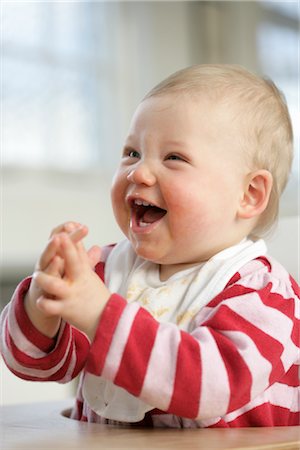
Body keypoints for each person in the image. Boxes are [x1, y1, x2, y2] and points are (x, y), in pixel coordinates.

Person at [0, 64, 299, 428]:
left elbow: (211, 388)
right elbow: (36, 364)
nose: (137, 173)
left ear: (249, 194)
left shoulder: (264, 295)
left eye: (174, 158)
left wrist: (100, 315)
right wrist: (42, 304)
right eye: (132, 152)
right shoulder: (105, 270)